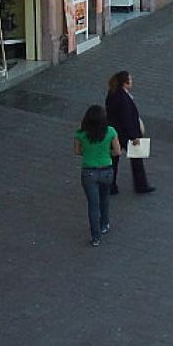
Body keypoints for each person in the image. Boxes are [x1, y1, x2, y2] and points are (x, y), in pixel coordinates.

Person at [74, 105, 122, 246]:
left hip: (89, 172)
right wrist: (106, 154)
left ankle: (96, 237)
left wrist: (89, 153)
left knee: (93, 206)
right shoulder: (111, 131)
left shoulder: (80, 134)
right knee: (105, 198)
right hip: (106, 171)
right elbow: (117, 152)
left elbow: (77, 151)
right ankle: (105, 223)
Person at [105, 71, 154, 195]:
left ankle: (111, 185)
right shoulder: (124, 98)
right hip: (126, 134)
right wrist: (134, 136)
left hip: (114, 132)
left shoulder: (112, 93)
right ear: (124, 83)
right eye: (130, 80)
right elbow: (126, 119)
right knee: (137, 160)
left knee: (113, 159)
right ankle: (141, 185)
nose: (132, 82)